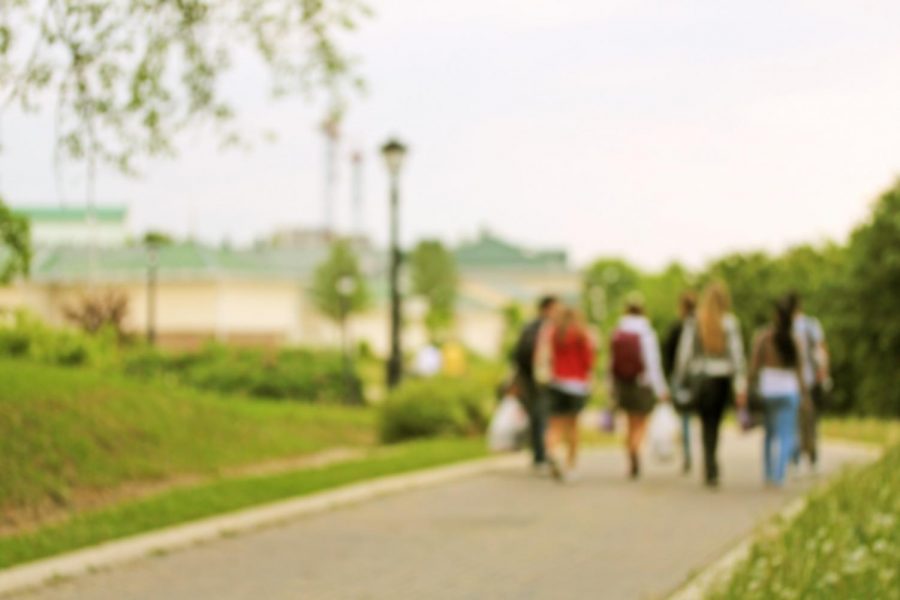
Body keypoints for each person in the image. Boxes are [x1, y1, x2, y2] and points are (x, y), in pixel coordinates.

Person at [674, 282, 747, 488]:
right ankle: (712, 463)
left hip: (701, 379)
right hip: (721, 379)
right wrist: (739, 384)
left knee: (705, 423)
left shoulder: (695, 321)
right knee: (715, 423)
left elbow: (684, 354)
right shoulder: (730, 322)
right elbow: (737, 356)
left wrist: (680, 380)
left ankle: (709, 463)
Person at [748, 299, 810, 487]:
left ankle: (768, 472)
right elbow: (800, 370)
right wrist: (804, 393)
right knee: (786, 434)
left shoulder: (764, 337)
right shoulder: (795, 340)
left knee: (769, 433)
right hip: (789, 389)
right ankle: (779, 474)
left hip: (769, 389)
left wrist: (747, 386)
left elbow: (754, 366)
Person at [611, 292, 669, 479]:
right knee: (640, 422)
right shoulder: (646, 333)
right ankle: (636, 448)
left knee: (629, 423)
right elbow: (653, 363)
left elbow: (611, 363)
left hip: (623, 384)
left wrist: (611, 385)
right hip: (641, 383)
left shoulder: (618, 332)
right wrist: (661, 389)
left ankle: (630, 456)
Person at [535, 306, 595, 482]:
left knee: (555, 425)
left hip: (557, 382)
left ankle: (552, 453)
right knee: (573, 427)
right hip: (577, 385)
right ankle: (570, 465)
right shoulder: (582, 334)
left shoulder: (554, 333)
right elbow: (588, 360)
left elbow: (547, 357)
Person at [511, 295, 561, 471]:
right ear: (546, 309)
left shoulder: (536, 327)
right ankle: (540, 455)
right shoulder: (540, 329)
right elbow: (522, 354)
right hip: (537, 379)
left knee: (540, 416)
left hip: (540, 379)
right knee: (540, 416)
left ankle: (541, 454)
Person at [785, 292, 830, 473]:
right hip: (809, 380)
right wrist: (823, 373)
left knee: (794, 422)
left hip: (790, 382)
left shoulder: (785, 327)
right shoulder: (811, 324)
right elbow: (821, 351)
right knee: (810, 421)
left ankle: (796, 460)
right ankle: (812, 458)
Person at [662, 291, 697, 474]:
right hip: (700, 378)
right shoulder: (702, 326)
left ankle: (688, 453)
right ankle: (701, 455)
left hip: (681, 378)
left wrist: (667, 380)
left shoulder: (677, 328)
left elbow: (667, 355)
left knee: (684, 418)